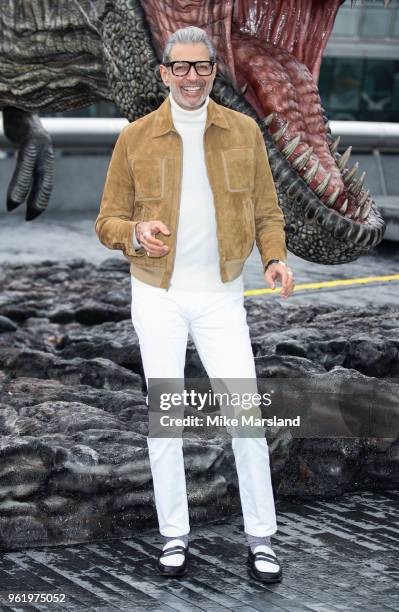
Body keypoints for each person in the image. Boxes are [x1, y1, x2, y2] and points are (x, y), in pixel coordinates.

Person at [95, 25, 295, 583]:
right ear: (164, 73)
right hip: (157, 297)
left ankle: (261, 538)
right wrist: (136, 232)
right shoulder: (134, 137)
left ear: (213, 72)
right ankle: (174, 537)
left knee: (248, 421)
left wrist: (273, 258)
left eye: (201, 66)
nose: (190, 77)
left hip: (222, 298)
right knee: (167, 422)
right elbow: (106, 221)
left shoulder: (245, 133)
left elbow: (266, 212)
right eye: (179, 67)